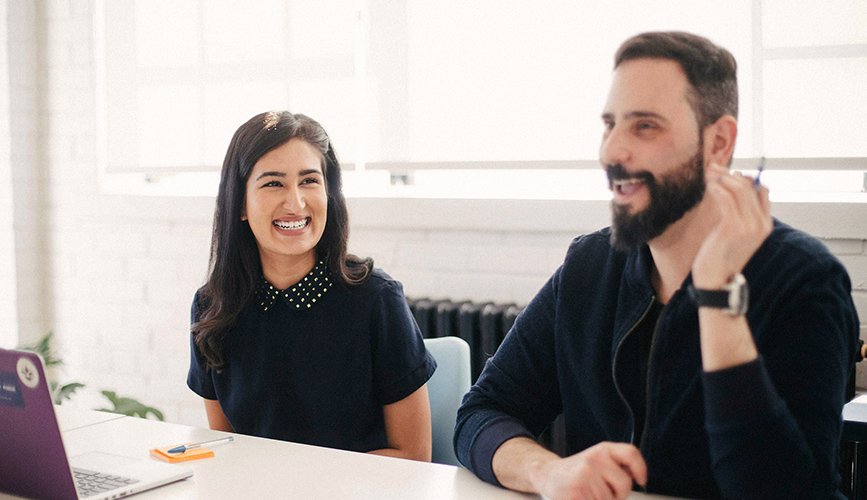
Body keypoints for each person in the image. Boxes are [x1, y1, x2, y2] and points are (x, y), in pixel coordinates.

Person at [454, 31, 860, 499]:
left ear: (718, 142)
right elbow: (481, 413)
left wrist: (717, 295)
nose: (611, 152)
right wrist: (548, 471)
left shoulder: (804, 282)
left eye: (644, 126)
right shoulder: (590, 266)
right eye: (610, 125)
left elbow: (784, 492)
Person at [188, 110, 436, 461]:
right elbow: (228, 449)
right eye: (273, 183)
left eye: (309, 181)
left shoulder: (376, 300)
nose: (296, 203)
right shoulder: (213, 306)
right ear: (240, 203)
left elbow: (413, 456)